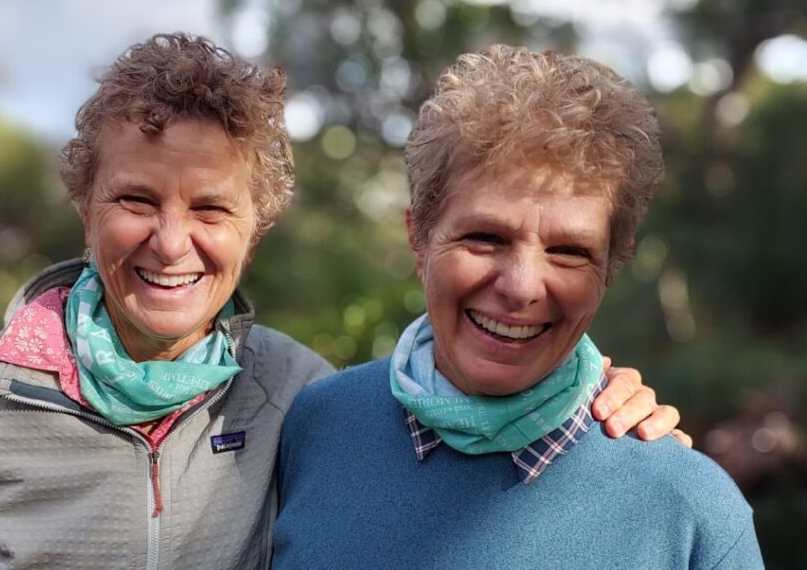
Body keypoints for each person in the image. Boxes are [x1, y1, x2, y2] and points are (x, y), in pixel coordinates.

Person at [0, 34, 684, 570]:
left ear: (256, 230)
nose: (170, 242)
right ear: (85, 204)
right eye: (136, 199)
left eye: (211, 209)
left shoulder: (302, 398)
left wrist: (598, 395)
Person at [273, 46, 763, 569]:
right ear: (418, 237)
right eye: (485, 238)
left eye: (569, 251)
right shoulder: (316, 425)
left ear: (610, 267)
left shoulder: (690, 508)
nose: (522, 287)